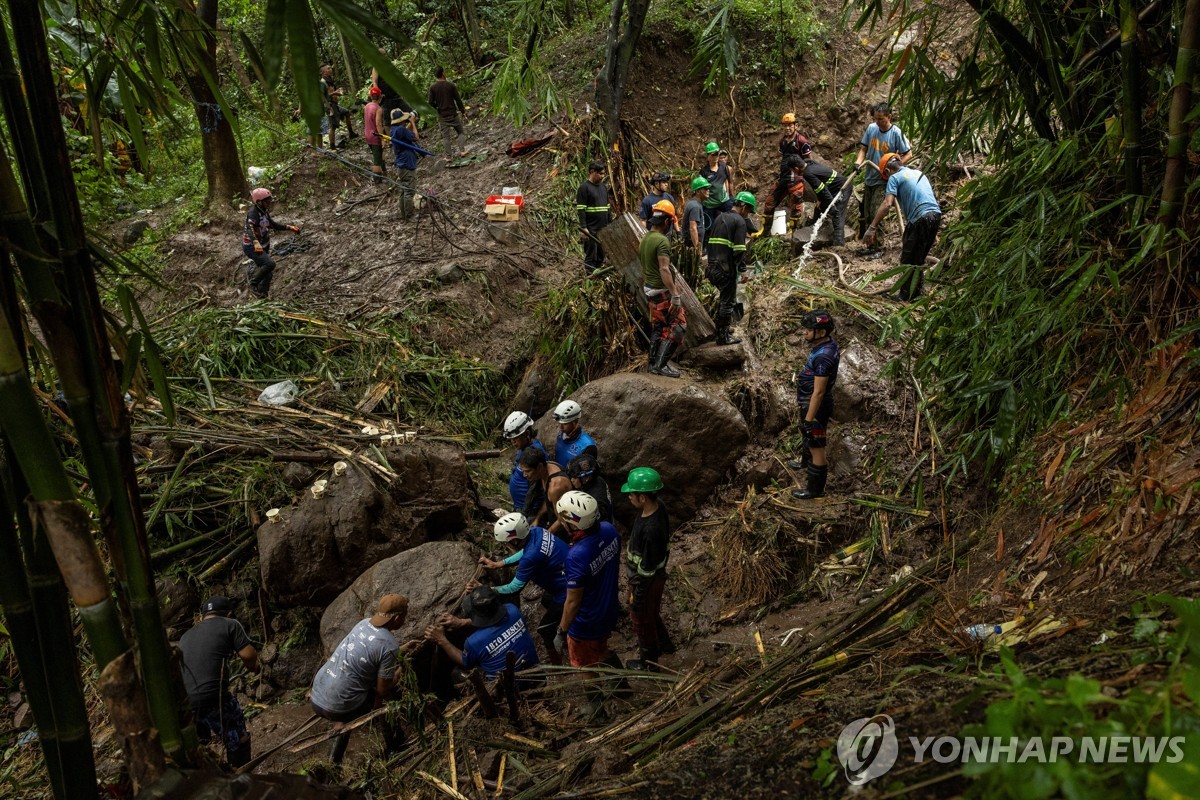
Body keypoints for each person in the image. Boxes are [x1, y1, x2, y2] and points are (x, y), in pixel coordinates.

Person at [310, 594, 418, 763]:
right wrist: (402, 669)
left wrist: (401, 651)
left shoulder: (363, 624)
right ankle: (394, 744)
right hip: (336, 706)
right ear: (397, 618)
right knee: (383, 698)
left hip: (317, 695)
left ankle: (332, 765)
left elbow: (370, 654)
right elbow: (383, 689)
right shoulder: (389, 644)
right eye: (405, 615)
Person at [554, 491, 623, 721]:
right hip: (609, 607)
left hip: (586, 621)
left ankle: (597, 709)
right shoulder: (609, 530)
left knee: (583, 665)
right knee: (602, 649)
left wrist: (562, 630)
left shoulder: (577, 556)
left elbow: (572, 601)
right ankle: (621, 685)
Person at [178, 596, 260, 768]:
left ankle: (209, 780)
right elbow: (248, 655)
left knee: (201, 744)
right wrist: (255, 667)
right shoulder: (230, 624)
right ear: (228, 614)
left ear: (202, 617)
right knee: (238, 737)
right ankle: (242, 778)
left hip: (185, 701)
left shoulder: (186, 636)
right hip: (214, 696)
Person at [477, 512, 568, 664]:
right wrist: (499, 564)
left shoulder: (530, 557)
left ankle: (558, 666)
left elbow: (514, 587)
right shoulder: (536, 531)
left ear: (515, 540)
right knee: (546, 600)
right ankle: (567, 631)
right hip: (566, 575)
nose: (505, 545)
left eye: (506, 542)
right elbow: (524, 551)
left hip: (567, 590)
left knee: (544, 631)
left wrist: (488, 589)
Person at [425, 586, 541, 687]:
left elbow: (465, 662)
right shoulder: (513, 610)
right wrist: (462, 622)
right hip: (537, 674)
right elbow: (492, 619)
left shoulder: (474, 642)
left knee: (457, 673)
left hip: (511, 689)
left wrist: (441, 639)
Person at [864, 153, 942, 300]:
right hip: (935, 216)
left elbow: (887, 204)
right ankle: (916, 294)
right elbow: (927, 198)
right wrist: (933, 230)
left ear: (887, 171)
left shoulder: (894, 178)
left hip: (920, 219)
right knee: (918, 259)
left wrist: (872, 227)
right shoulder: (918, 173)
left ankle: (905, 296)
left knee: (908, 260)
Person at [621, 468, 676, 671]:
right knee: (650, 614)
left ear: (642, 497)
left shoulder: (651, 529)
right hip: (652, 577)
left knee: (641, 619)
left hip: (647, 580)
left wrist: (639, 595)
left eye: (632, 493)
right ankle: (665, 644)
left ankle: (650, 663)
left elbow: (647, 570)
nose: (629, 497)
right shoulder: (656, 507)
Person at [788, 310, 840, 500]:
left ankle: (815, 489)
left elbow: (818, 392)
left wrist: (809, 418)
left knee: (816, 444)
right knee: (808, 436)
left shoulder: (823, 357)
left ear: (821, 332)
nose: (805, 333)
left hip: (815, 405)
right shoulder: (826, 345)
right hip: (810, 401)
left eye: (809, 330)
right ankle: (804, 462)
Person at [854, 102, 911, 254]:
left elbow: (908, 153)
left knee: (877, 213)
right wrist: (858, 163)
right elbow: (863, 149)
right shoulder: (872, 129)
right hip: (869, 178)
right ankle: (870, 247)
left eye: (881, 119)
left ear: (889, 117)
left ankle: (879, 248)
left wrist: (894, 168)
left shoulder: (896, 133)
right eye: (876, 119)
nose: (878, 122)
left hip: (884, 180)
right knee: (867, 214)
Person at [640, 200, 686, 377]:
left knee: (659, 327)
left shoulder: (645, 239)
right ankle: (661, 365)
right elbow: (664, 269)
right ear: (667, 221)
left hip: (650, 290)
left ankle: (652, 364)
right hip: (661, 292)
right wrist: (675, 294)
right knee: (679, 326)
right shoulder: (662, 241)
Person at [706, 192, 757, 346]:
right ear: (744, 207)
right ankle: (722, 337)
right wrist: (743, 270)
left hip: (712, 268)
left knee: (724, 299)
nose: (748, 214)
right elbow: (739, 250)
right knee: (727, 303)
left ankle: (723, 328)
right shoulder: (739, 221)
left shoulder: (719, 218)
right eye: (748, 211)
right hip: (725, 269)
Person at [242, 188, 299, 299]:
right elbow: (250, 229)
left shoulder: (264, 211)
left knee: (268, 273)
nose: (269, 203)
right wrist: (255, 243)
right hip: (252, 247)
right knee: (270, 264)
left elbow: (272, 224)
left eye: (270, 200)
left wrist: (289, 227)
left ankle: (262, 296)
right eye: (267, 201)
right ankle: (252, 284)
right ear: (259, 202)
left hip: (263, 245)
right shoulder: (253, 213)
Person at [799, 156, 849, 247]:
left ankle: (839, 243)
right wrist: (820, 199)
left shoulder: (807, 173)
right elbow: (821, 188)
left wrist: (832, 204)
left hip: (842, 187)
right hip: (832, 189)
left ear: (795, 168)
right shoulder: (808, 162)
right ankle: (812, 227)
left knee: (837, 213)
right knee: (819, 207)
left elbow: (823, 190)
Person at [518, 446, 571, 530]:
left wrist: (547, 535)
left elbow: (563, 518)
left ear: (539, 467)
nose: (524, 475)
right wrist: (537, 519)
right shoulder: (547, 467)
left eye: (528, 471)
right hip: (554, 520)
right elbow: (549, 500)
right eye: (523, 471)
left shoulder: (556, 486)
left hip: (565, 527)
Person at [504, 411, 547, 511]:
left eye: (515, 439)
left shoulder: (535, 453)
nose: (513, 442)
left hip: (529, 510)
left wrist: (524, 513)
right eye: (511, 439)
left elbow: (535, 488)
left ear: (527, 434)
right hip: (519, 506)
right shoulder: (523, 448)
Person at [576, 161, 611, 274]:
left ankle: (599, 274)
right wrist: (584, 227)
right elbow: (581, 209)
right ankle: (589, 276)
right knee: (591, 254)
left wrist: (610, 224)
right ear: (592, 172)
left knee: (601, 253)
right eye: (600, 174)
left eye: (603, 174)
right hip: (591, 228)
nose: (602, 176)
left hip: (603, 227)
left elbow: (607, 207)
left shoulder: (603, 187)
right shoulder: (584, 188)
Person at [428, 66, 467, 159]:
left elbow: (430, 102)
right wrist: (463, 111)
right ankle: (462, 151)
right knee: (460, 132)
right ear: (443, 73)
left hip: (442, 115)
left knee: (446, 137)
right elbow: (458, 100)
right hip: (453, 113)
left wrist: (437, 107)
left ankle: (448, 156)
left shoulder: (433, 87)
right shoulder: (450, 85)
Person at [389, 108, 421, 220]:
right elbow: (416, 137)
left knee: (403, 190)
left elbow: (404, 133)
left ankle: (404, 214)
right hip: (407, 163)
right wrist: (412, 122)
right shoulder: (401, 129)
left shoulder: (394, 130)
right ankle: (409, 215)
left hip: (400, 163)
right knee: (409, 191)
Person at [680, 176, 711, 283]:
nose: (708, 191)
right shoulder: (695, 206)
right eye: (705, 189)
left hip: (691, 245)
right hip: (690, 245)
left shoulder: (695, 204)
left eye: (708, 188)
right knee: (691, 272)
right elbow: (693, 227)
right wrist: (697, 247)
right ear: (698, 191)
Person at [567, 453, 613, 524]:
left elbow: (594, 521)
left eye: (575, 477)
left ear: (587, 478)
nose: (571, 480)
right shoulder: (593, 480)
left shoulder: (597, 499)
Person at [699, 142, 734, 234]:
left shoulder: (724, 167)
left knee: (734, 216)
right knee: (709, 227)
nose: (716, 156)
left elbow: (728, 181)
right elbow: (700, 189)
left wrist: (730, 196)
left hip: (723, 201)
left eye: (717, 154)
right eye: (713, 154)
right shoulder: (704, 172)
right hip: (709, 204)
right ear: (708, 156)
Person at [319, 64, 356, 150]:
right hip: (330, 105)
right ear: (324, 71)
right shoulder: (322, 82)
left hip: (335, 104)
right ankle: (332, 147)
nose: (331, 69)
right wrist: (335, 93)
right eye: (328, 68)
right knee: (333, 126)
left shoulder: (329, 80)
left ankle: (351, 133)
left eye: (330, 68)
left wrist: (338, 91)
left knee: (346, 112)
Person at [552, 400, 598, 467]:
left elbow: (586, 474)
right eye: (559, 423)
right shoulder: (561, 434)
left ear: (574, 422)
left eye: (564, 424)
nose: (560, 427)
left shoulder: (588, 446)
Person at [364, 86, 387, 184]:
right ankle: (377, 180)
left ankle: (385, 172)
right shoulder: (378, 109)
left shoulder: (367, 106)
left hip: (367, 134)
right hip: (375, 136)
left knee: (379, 153)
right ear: (380, 96)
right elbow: (378, 123)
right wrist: (382, 138)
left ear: (370, 96)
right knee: (376, 159)